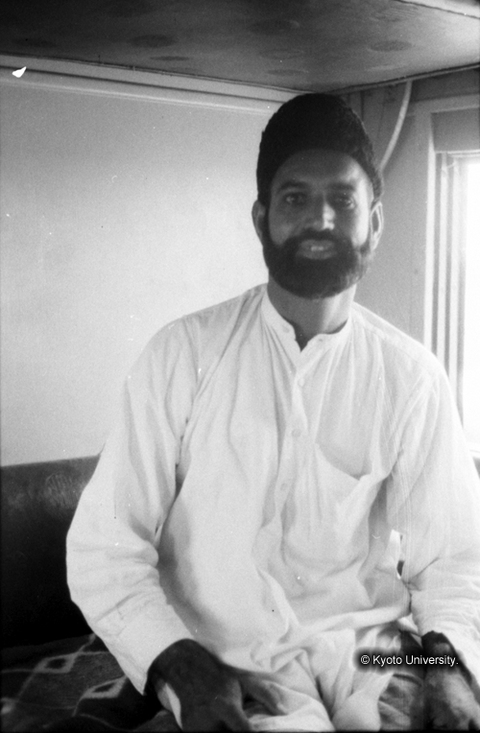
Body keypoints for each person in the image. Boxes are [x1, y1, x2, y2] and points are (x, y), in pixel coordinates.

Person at [67, 93, 480, 731]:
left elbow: (452, 559)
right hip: (220, 657)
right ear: (262, 220)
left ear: (375, 221)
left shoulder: (412, 376)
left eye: (342, 199)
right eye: (295, 198)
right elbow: (106, 550)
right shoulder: (183, 354)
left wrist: (449, 671)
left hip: (370, 650)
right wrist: (186, 672)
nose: (321, 218)